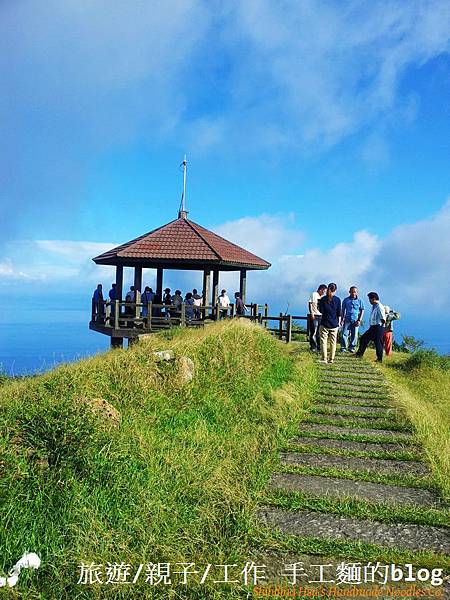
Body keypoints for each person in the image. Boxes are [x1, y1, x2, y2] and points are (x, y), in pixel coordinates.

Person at [354, 292, 386, 362]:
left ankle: (379, 359)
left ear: (373, 299)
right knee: (363, 338)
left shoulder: (379, 306)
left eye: (370, 299)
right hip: (373, 327)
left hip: (378, 327)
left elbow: (383, 319)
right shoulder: (374, 306)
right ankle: (359, 354)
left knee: (378, 343)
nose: (369, 301)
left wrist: (381, 328)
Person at [318, 283, 341, 364]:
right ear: (335, 290)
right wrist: (339, 323)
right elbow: (339, 313)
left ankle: (324, 358)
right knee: (333, 342)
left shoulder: (323, 299)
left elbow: (321, 311)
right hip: (334, 324)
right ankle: (331, 359)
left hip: (324, 322)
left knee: (323, 341)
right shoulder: (338, 300)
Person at [340, 286, 365, 353]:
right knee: (344, 334)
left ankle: (352, 347)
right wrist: (341, 319)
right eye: (352, 292)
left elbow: (362, 310)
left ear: (357, 292)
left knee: (355, 335)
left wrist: (359, 320)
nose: (353, 293)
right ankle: (343, 348)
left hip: (356, 320)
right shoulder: (346, 300)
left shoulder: (360, 301)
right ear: (349, 292)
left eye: (355, 292)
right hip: (347, 319)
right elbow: (343, 310)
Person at [308, 284, 327, 351]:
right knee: (313, 331)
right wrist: (312, 313)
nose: (324, 292)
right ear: (321, 289)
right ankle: (313, 346)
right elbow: (310, 303)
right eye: (324, 291)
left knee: (320, 332)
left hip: (321, 315)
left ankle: (319, 346)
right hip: (315, 315)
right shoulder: (314, 294)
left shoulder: (323, 297)